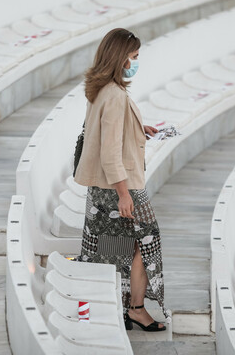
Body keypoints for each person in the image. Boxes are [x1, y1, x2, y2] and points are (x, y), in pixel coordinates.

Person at [74, 27, 169, 331]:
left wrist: (137, 127)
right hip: (118, 186)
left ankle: (125, 307)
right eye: (134, 56)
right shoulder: (114, 95)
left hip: (101, 189)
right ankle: (136, 310)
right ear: (120, 58)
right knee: (146, 241)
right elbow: (109, 152)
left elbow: (106, 133)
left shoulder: (100, 87)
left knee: (119, 245)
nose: (136, 61)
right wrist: (124, 193)